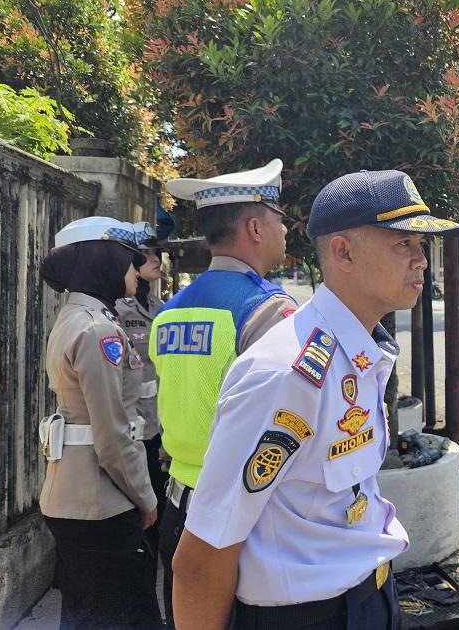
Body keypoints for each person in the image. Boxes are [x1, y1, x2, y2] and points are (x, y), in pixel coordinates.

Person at [170, 170, 459, 630]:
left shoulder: (361, 352)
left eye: (420, 246)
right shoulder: (286, 373)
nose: (421, 260)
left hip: (370, 595)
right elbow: (202, 557)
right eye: (402, 244)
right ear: (343, 252)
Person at [151, 159, 297, 627]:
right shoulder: (270, 311)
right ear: (255, 227)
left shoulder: (167, 313)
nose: (285, 229)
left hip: (179, 507)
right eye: (280, 219)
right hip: (241, 516)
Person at [38, 216, 162, 629]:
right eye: (129, 262)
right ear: (105, 263)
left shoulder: (73, 318)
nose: (135, 271)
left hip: (72, 496)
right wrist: (146, 499)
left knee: (83, 614)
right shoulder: (97, 330)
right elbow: (111, 436)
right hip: (100, 504)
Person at [116, 221, 168, 578]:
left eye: (158, 254)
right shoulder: (118, 310)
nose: (157, 260)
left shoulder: (161, 308)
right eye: (148, 254)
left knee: (159, 508)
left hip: (157, 427)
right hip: (129, 427)